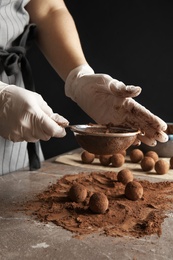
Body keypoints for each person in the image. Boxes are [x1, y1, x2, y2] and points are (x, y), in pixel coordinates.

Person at [0, 0, 168, 175]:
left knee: (17, 190)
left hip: (16, 102)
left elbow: (48, 8)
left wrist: (79, 76)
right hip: (8, 99)